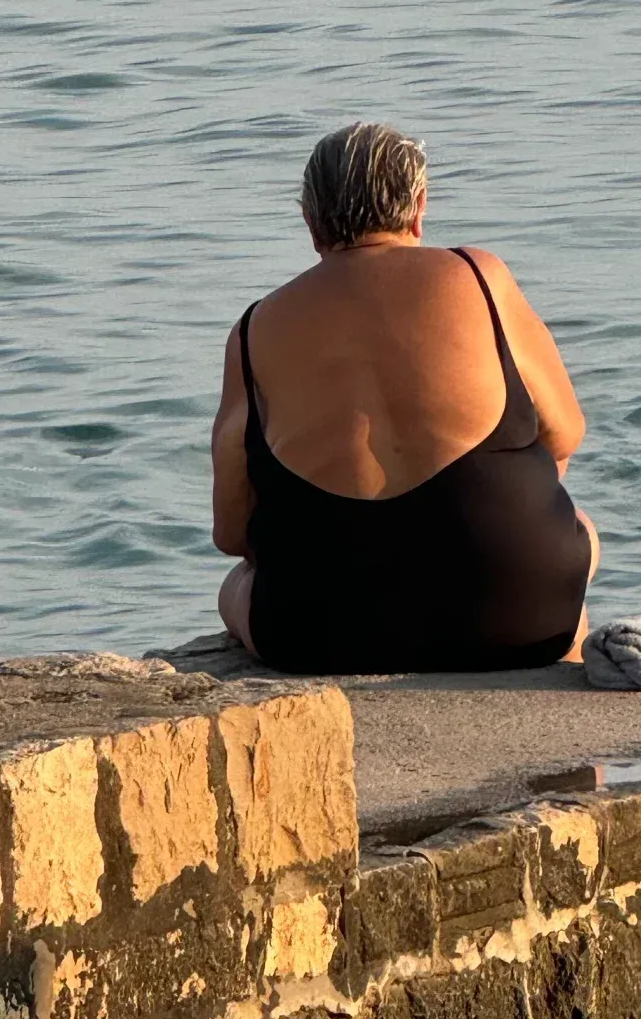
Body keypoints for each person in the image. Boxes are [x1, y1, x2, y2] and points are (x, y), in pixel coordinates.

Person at [211, 123, 598, 672]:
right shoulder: (478, 277)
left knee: (234, 587)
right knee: (579, 533)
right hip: (519, 619)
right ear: (419, 206)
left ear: (309, 222)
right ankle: (569, 724)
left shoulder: (253, 331)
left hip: (318, 635)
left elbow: (231, 532)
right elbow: (565, 433)